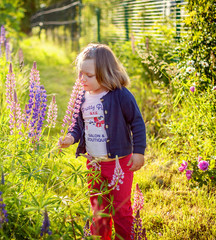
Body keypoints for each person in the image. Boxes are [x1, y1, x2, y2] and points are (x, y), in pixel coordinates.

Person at [59, 43, 146, 240]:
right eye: (80, 74)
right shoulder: (82, 98)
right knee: (99, 210)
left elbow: (137, 123)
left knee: (121, 210)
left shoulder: (120, 95)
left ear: (106, 73)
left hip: (120, 163)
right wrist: (71, 138)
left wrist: (138, 151)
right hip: (94, 164)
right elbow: (78, 125)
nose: (82, 79)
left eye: (89, 76)